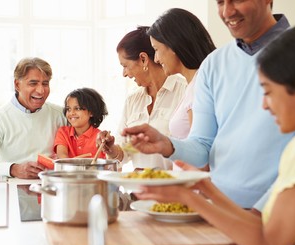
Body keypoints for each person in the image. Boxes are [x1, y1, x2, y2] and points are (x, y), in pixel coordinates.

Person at [136, 23, 295, 245]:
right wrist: (206, 188)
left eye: (268, 92)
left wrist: (187, 197)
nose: (264, 105)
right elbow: (261, 225)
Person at [123, 0, 295, 211]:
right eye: (220, 2)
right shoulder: (214, 64)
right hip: (221, 210)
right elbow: (203, 147)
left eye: (238, 0)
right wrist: (167, 145)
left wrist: (261, 210)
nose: (227, 11)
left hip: (280, 211)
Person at [98, 26, 187, 171]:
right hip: (140, 190)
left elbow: (194, 151)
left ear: (143, 59)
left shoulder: (184, 91)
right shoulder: (133, 100)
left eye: (125, 66)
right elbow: (125, 153)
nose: (124, 74)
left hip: (174, 189)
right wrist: (111, 148)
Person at [0, 57, 66, 179]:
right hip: (12, 191)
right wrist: (13, 169)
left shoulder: (61, 114)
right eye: (33, 83)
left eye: (45, 83)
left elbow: (88, 140)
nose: (41, 90)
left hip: (53, 187)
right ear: (17, 84)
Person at [147, 8, 216, 140]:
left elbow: (201, 152)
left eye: (156, 49)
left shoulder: (198, 87)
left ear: (173, 46)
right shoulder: (193, 84)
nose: (156, 59)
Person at [54, 87, 108, 159]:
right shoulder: (63, 132)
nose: (71, 113)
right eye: (68, 109)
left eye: (78, 108)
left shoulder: (100, 138)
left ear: (91, 112)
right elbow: (62, 157)